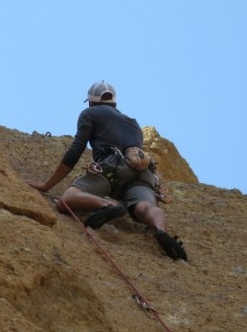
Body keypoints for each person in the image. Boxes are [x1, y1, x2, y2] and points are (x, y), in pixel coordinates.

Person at [28, 80, 187, 260]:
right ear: (115, 103)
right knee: (145, 207)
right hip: (143, 173)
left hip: (111, 167)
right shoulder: (133, 123)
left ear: (91, 102)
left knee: (66, 200)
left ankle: (109, 206)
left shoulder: (90, 113)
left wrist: (47, 185)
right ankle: (160, 229)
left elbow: (76, 149)